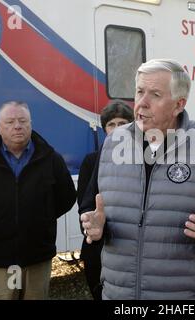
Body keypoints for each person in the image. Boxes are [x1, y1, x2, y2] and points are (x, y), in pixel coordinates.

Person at [79, 58, 195, 300]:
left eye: (155, 94)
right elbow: (90, 210)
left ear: (179, 104)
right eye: (139, 92)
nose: (142, 103)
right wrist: (93, 227)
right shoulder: (111, 145)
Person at [0, 101, 76, 300]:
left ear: (30, 124)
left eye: (22, 120)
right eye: (9, 121)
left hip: (37, 259)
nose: (17, 126)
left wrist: (42, 219)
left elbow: (67, 197)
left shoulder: (52, 161)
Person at [77, 100, 134, 300]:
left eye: (123, 123)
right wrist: (92, 224)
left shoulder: (142, 160)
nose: (117, 129)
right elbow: (84, 206)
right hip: (98, 249)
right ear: (104, 129)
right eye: (112, 124)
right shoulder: (91, 161)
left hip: (129, 249)